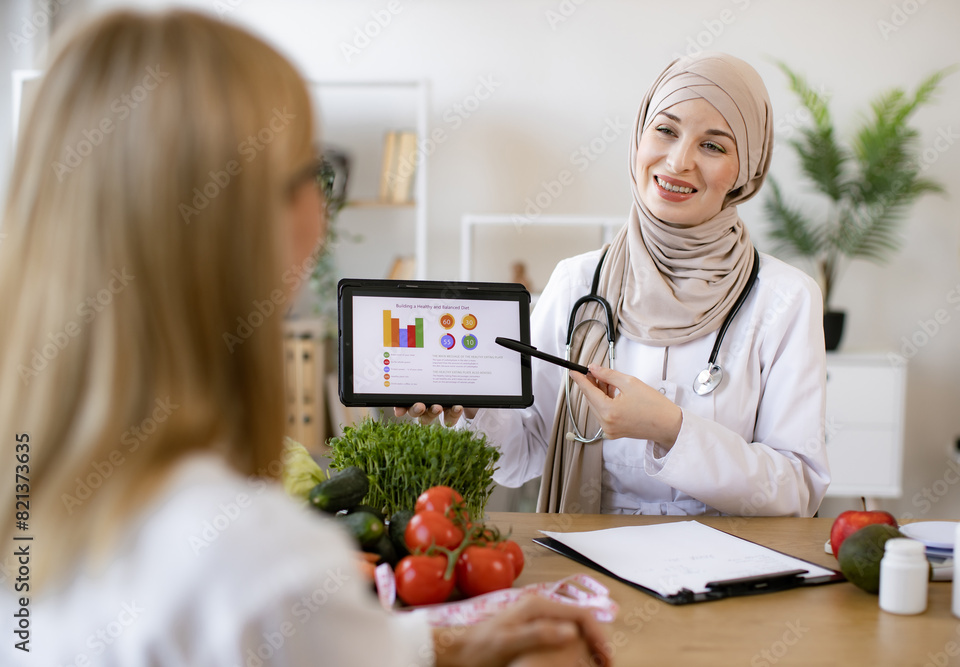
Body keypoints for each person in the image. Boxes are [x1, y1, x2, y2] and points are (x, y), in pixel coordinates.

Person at [0, 10, 610, 667]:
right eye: (313, 174)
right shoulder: (262, 561)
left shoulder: (30, 493)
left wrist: (443, 649)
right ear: (236, 226)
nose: (323, 207)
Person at [400, 53, 830, 517]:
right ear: (639, 137)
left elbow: (797, 491)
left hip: (731, 570)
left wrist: (672, 429)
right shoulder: (578, 282)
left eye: (714, 146)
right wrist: (474, 407)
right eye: (665, 130)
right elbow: (521, 456)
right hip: (597, 559)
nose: (679, 160)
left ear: (745, 172)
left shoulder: (786, 298)